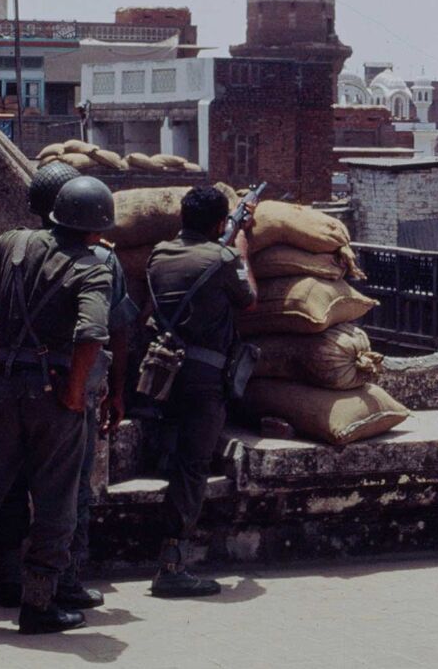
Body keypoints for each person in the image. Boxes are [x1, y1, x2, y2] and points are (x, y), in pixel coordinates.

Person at [0, 174, 115, 634]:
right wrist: (76, 392)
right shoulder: (92, 267)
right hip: (53, 395)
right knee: (56, 503)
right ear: (96, 228)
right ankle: (38, 606)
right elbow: (92, 333)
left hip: (2, 385)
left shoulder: (13, 243)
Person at [0, 162, 138, 612]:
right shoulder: (100, 259)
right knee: (71, 489)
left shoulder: (13, 249)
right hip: (70, 391)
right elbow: (114, 330)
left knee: (9, 484)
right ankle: (65, 582)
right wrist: (115, 392)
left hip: (10, 384)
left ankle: (10, 581)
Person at [145, 185, 258, 597]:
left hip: (162, 374)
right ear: (218, 223)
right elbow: (248, 302)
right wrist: (240, 241)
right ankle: (171, 565)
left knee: (176, 457)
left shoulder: (158, 252)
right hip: (202, 379)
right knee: (192, 466)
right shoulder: (224, 257)